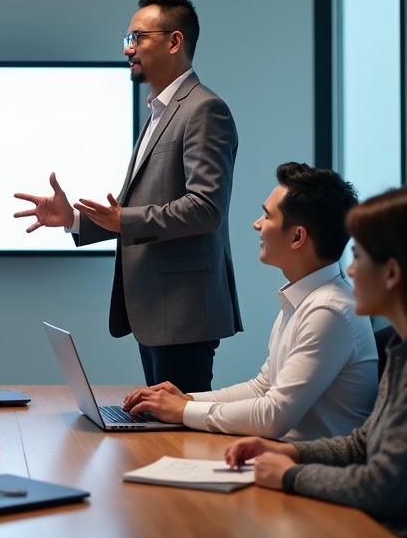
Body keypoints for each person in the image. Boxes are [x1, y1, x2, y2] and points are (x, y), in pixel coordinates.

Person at [225, 185, 407, 538]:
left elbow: (383, 485)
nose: (349, 269)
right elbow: (363, 443)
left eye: (359, 256)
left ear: (393, 272)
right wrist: (294, 455)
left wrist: (288, 475)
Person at [14, 0, 241, 393]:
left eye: (137, 38)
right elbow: (139, 211)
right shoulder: (160, 112)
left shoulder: (204, 110)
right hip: (157, 310)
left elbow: (206, 208)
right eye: (127, 39)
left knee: (179, 438)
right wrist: (73, 220)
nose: (128, 50)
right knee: (162, 432)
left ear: (175, 41)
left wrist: (125, 220)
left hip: (184, 311)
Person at [124, 163, 377, 440]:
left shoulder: (328, 311)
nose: (257, 224)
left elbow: (273, 417)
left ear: (297, 236)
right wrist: (188, 401)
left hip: (309, 470)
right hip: (281, 456)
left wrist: (182, 411)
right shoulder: (305, 299)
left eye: (267, 217)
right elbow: (262, 388)